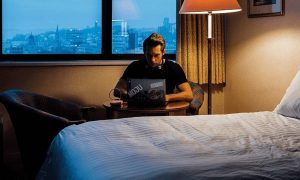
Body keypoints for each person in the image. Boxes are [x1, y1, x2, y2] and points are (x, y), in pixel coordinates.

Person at [114, 32, 193, 103]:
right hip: (138, 110)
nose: (152, 60)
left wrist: (167, 97)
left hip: (164, 111)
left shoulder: (173, 68)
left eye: (156, 55)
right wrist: (130, 95)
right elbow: (117, 90)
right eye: (149, 55)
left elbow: (189, 95)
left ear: (163, 52)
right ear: (144, 52)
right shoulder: (134, 66)